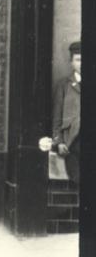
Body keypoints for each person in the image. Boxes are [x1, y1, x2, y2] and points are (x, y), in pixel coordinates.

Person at [52, 41, 81, 184]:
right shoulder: (64, 86)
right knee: (77, 180)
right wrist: (59, 142)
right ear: (71, 62)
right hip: (72, 143)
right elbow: (57, 117)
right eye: (79, 59)